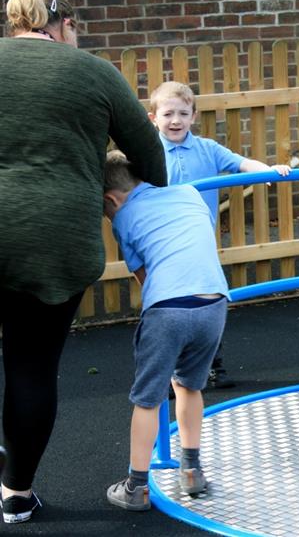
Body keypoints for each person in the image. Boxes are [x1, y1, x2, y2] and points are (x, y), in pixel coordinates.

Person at [0, 0, 166, 524]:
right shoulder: (93, 72)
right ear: (65, 25)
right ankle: (16, 495)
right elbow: (149, 155)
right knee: (30, 368)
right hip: (56, 239)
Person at [102, 151, 229, 511]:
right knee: (190, 386)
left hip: (168, 308)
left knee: (148, 399)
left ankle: (136, 487)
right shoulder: (188, 193)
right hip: (214, 301)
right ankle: (191, 471)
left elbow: (144, 277)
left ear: (112, 199)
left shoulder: (123, 218)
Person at [148, 81, 292, 389]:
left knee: (208, 302)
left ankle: (213, 365)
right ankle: (169, 373)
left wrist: (268, 169)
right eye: (168, 114)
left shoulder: (207, 149)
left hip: (199, 244)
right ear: (154, 118)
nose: (176, 121)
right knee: (170, 308)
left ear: (193, 116)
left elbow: (241, 163)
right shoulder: (149, 152)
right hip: (163, 244)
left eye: (183, 113)